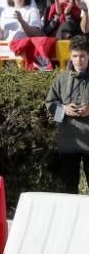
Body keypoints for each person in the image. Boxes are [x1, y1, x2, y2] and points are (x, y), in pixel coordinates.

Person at [45, 35, 89, 194]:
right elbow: (50, 103)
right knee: (69, 189)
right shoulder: (61, 79)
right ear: (70, 56)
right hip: (69, 142)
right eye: (75, 56)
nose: (79, 60)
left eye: (83, 55)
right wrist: (63, 109)